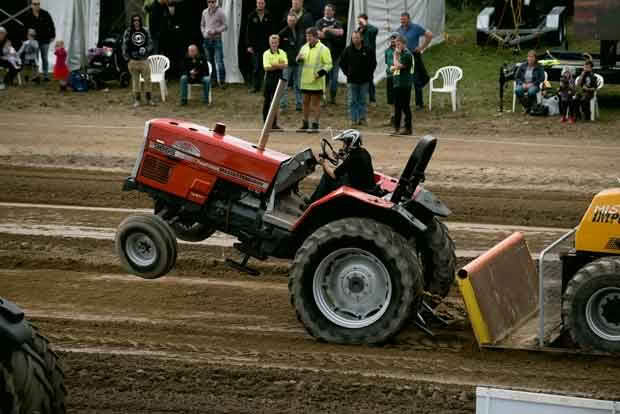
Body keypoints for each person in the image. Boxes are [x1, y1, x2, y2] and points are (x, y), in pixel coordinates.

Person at [308, 129, 375, 204]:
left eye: (344, 143)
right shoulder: (363, 152)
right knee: (340, 175)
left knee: (327, 177)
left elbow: (334, 175)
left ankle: (313, 202)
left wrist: (323, 163)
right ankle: (314, 200)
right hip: (366, 185)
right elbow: (351, 164)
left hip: (358, 188)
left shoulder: (353, 158)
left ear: (350, 143)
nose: (343, 146)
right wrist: (340, 157)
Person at [296, 27, 332, 133]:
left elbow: (329, 64)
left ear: (316, 37)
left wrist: (320, 73)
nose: (308, 38)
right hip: (305, 81)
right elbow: (299, 59)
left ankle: (315, 125)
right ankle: (305, 124)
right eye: (307, 36)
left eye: (310, 36)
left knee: (315, 104)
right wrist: (298, 59)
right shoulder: (304, 47)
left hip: (317, 81)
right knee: (305, 102)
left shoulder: (323, 49)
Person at [339, 30, 376, 127]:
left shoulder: (368, 50)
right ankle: (353, 120)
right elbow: (342, 63)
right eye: (354, 38)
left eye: (357, 37)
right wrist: (347, 73)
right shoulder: (347, 50)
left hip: (364, 80)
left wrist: (369, 75)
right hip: (352, 81)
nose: (355, 39)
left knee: (362, 100)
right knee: (352, 101)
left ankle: (362, 119)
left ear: (361, 38)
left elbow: (373, 63)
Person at [398, 12, 432, 110]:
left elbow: (429, 35)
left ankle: (419, 104)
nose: (402, 21)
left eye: (404, 19)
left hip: (414, 55)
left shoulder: (416, 28)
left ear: (409, 19)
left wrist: (422, 47)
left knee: (416, 79)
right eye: (401, 20)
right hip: (403, 56)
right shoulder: (399, 30)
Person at [122, 14, 155, 107]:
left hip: (144, 60)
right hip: (133, 60)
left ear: (140, 21)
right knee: (135, 81)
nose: (136, 22)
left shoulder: (145, 30)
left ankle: (149, 99)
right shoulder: (128, 31)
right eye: (134, 20)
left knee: (148, 80)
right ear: (132, 21)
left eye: (138, 20)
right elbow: (124, 45)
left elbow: (151, 43)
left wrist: (146, 49)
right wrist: (127, 58)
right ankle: (137, 100)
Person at [315, 4, 345, 105]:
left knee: (334, 79)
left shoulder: (338, 22)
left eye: (329, 10)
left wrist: (327, 30)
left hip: (336, 56)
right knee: (323, 78)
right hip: (322, 56)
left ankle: (333, 98)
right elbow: (319, 34)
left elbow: (340, 32)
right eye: (325, 10)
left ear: (333, 12)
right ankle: (322, 98)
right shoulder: (319, 22)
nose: (327, 12)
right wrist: (332, 33)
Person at [22, 1, 55, 81]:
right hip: (34, 41)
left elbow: (51, 24)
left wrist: (53, 35)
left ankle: (46, 75)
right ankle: (36, 76)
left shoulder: (45, 13)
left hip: (45, 39)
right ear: (31, 5)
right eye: (35, 4)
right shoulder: (27, 15)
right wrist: (26, 38)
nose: (37, 5)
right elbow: (24, 28)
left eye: (38, 4)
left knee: (45, 58)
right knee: (35, 59)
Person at [246, 0, 273, 93]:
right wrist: (249, 45)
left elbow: (272, 31)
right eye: (258, 3)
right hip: (255, 46)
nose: (260, 4)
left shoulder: (269, 15)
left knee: (266, 66)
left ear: (264, 4)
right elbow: (248, 32)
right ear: (256, 4)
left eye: (262, 3)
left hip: (266, 45)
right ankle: (255, 86)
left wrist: (272, 44)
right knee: (256, 67)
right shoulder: (251, 15)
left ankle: (266, 87)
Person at [279, 12, 304, 112]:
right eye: (290, 20)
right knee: (283, 86)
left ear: (296, 20)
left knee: (298, 85)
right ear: (287, 20)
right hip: (287, 63)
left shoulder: (301, 31)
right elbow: (278, 48)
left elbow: (303, 44)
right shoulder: (282, 33)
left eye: (293, 20)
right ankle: (283, 105)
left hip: (299, 63)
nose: (292, 22)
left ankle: (299, 104)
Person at [262, 34, 288, 131]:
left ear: (278, 43)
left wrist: (273, 64)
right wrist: (279, 65)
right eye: (272, 42)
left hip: (279, 78)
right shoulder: (266, 53)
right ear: (269, 43)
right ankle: (266, 124)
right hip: (269, 79)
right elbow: (266, 67)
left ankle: (274, 124)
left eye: (276, 42)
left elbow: (285, 64)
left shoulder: (282, 52)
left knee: (276, 102)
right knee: (267, 101)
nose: (274, 44)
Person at [390, 35, 414, 136]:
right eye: (396, 44)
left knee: (404, 107)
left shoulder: (407, 54)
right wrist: (394, 65)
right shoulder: (400, 54)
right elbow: (393, 67)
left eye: (398, 44)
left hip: (404, 84)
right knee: (397, 107)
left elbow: (398, 66)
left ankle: (407, 128)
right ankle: (397, 128)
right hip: (397, 83)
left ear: (404, 44)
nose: (397, 46)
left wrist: (395, 56)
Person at [201, 0, 228, 88]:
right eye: (209, 2)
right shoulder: (204, 12)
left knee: (219, 61)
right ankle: (214, 81)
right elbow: (202, 25)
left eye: (213, 2)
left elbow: (225, 26)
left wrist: (216, 30)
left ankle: (222, 81)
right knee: (210, 61)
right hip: (207, 40)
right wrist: (204, 33)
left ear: (216, 2)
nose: (211, 4)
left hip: (216, 40)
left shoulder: (220, 12)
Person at [357, 13, 378, 104]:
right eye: (358, 21)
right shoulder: (358, 30)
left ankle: (372, 99)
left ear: (365, 20)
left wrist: (365, 25)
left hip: (370, 58)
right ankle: (361, 98)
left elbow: (375, 30)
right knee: (360, 78)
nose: (359, 23)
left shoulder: (371, 29)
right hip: (360, 58)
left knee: (369, 78)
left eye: (361, 21)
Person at [383, 32, 398, 127]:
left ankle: (399, 118)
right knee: (390, 99)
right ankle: (392, 117)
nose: (393, 40)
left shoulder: (402, 51)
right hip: (389, 77)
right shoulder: (387, 51)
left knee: (399, 98)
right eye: (391, 39)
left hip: (398, 77)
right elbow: (386, 62)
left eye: (395, 38)